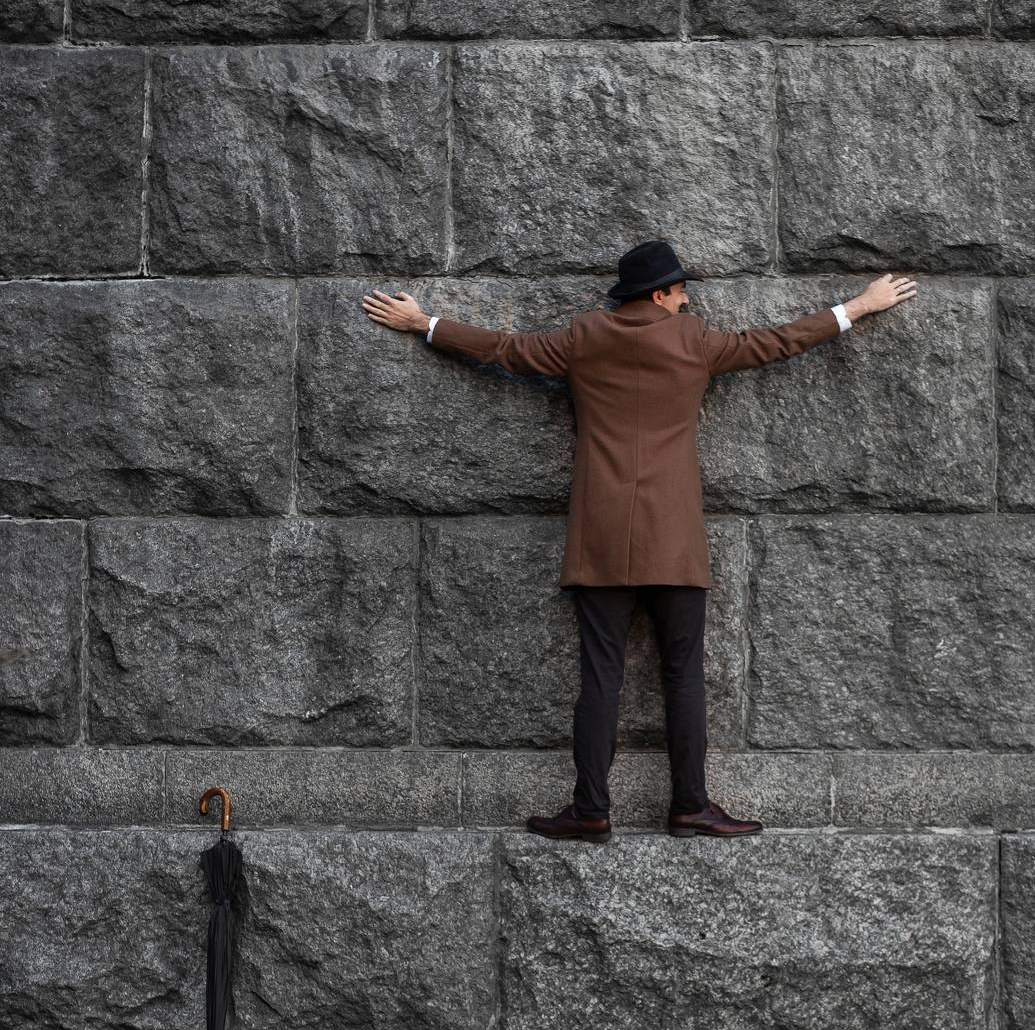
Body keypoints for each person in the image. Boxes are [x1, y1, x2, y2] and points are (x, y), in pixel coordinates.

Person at [362, 240, 917, 845]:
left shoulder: (583, 338)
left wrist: (424, 323)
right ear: (659, 294)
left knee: (601, 679)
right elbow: (779, 341)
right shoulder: (695, 341)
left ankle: (590, 811)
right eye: (680, 292)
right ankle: (691, 808)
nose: (687, 301)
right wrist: (859, 306)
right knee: (684, 678)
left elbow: (504, 349)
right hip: (673, 539)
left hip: (601, 539)